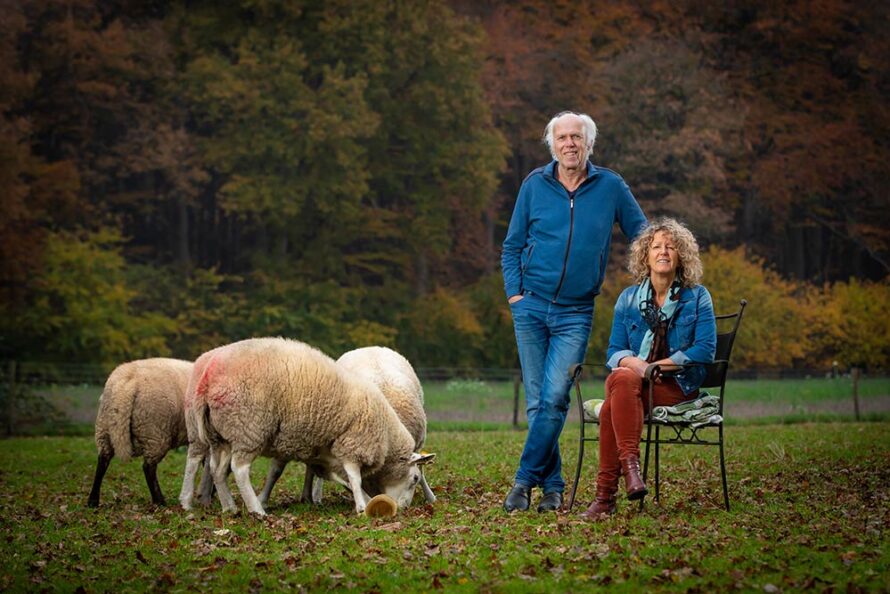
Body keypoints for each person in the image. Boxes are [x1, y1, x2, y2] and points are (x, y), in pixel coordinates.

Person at [501, 111, 647, 513]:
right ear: (552, 145)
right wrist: (515, 295)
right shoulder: (534, 184)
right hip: (530, 307)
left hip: (575, 312)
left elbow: (643, 237)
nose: (569, 144)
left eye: (576, 137)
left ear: (588, 144)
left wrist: (650, 283)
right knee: (538, 404)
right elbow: (512, 245)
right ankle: (552, 490)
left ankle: (523, 481)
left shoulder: (610, 186)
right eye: (562, 137)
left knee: (554, 398)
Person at [581, 217, 716, 520]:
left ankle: (605, 497)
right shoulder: (628, 299)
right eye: (656, 246)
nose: (663, 251)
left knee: (611, 403)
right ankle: (630, 471)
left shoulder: (697, 297)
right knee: (623, 377)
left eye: (671, 246)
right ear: (645, 255)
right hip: (634, 384)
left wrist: (655, 367)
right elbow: (615, 352)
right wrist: (640, 367)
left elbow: (704, 350)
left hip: (676, 385)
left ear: (682, 255)